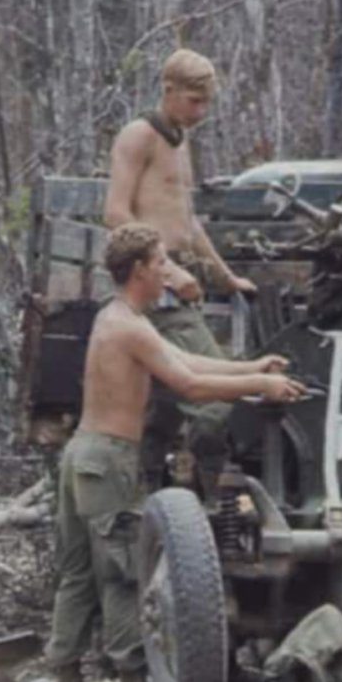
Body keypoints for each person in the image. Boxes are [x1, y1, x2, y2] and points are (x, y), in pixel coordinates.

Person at [48, 223, 307, 682]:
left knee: (77, 571)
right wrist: (260, 386)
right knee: (121, 569)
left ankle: (66, 681)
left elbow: (184, 358)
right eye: (161, 261)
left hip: (83, 453)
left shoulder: (121, 317)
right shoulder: (127, 325)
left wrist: (253, 369)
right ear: (141, 269)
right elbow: (187, 385)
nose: (168, 271)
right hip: (108, 458)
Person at [103, 49, 252, 497]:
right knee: (216, 401)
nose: (200, 112)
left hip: (179, 280)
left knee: (161, 409)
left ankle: (144, 500)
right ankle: (214, 501)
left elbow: (188, 224)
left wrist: (226, 278)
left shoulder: (179, 140)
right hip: (154, 285)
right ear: (168, 90)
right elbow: (115, 214)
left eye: (206, 103)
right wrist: (167, 272)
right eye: (192, 101)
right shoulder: (139, 135)